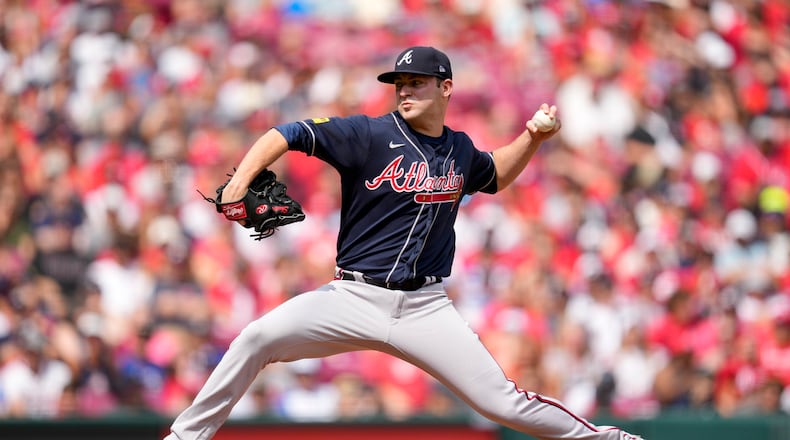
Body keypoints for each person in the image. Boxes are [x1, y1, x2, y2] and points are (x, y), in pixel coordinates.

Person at [164, 46, 643, 440]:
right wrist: (240, 179)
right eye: (400, 84)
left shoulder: (458, 148)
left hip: (425, 308)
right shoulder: (369, 134)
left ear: (445, 88)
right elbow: (288, 133)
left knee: (502, 403)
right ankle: (185, 438)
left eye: (416, 82)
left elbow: (494, 172)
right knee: (257, 337)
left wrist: (533, 138)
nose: (406, 91)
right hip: (351, 296)